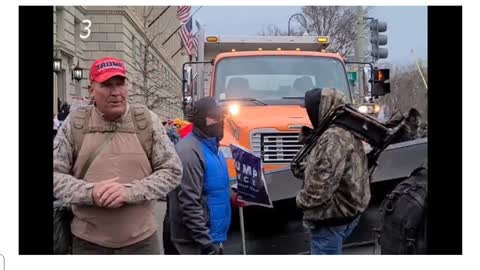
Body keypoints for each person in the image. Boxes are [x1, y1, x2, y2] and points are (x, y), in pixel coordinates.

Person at [53, 56, 182, 254]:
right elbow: (55, 175)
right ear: (91, 90)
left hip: (142, 243)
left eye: (120, 84)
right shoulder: (75, 123)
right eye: (106, 85)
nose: (116, 92)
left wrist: (130, 192)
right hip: (88, 243)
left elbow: (172, 170)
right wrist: (90, 193)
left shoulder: (147, 121)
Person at [296, 88, 370, 255]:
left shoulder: (334, 137)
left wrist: (301, 200)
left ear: (323, 108)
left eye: (312, 110)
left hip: (330, 218)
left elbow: (322, 184)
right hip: (344, 213)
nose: (310, 114)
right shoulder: (346, 129)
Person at [168, 97, 231, 255]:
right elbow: (189, 203)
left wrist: (233, 197)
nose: (220, 121)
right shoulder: (189, 152)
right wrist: (206, 245)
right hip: (195, 244)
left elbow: (214, 187)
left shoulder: (214, 147)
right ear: (200, 120)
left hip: (213, 237)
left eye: (222, 117)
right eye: (215, 117)